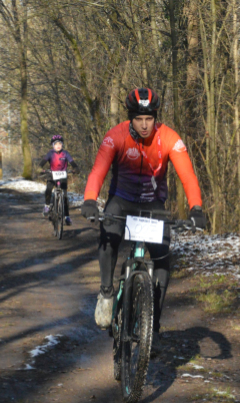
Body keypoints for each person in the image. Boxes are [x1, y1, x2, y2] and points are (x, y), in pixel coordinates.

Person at [81, 87, 207, 332]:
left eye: (149, 119)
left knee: (161, 258)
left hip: (152, 204)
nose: (144, 125)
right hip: (122, 200)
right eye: (138, 119)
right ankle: (107, 293)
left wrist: (196, 208)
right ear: (130, 117)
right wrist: (89, 200)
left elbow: (188, 176)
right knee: (108, 238)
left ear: (156, 118)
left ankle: (153, 324)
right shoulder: (115, 136)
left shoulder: (169, 138)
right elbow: (98, 171)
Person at [40, 135, 79, 225]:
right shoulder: (50, 153)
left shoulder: (65, 153)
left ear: (62, 145)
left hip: (62, 175)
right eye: (56, 144)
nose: (58, 145)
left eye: (60, 144)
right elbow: (42, 163)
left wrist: (75, 168)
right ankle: (47, 205)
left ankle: (67, 217)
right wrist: (40, 169)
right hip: (52, 175)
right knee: (48, 189)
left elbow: (72, 162)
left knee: (64, 196)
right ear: (53, 145)